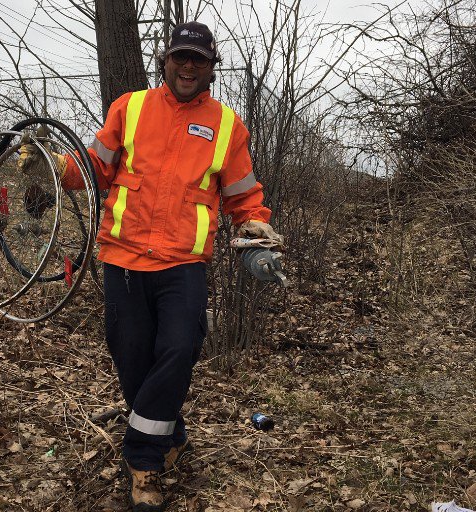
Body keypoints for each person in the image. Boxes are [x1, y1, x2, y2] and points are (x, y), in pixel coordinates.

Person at [19, 21, 282, 512]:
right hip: (123, 260)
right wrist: (53, 166)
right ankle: (171, 433)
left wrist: (256, 237)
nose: (187, 66)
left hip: (183, 264)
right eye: (180, 56)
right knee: (133, 359)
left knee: (179, 349)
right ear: (166, 60)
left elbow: (243, 197)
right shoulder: (131, 107)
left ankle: (144, 462)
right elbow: (95, 166)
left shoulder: (227, 126)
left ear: (210, 68)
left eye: (198, 59)